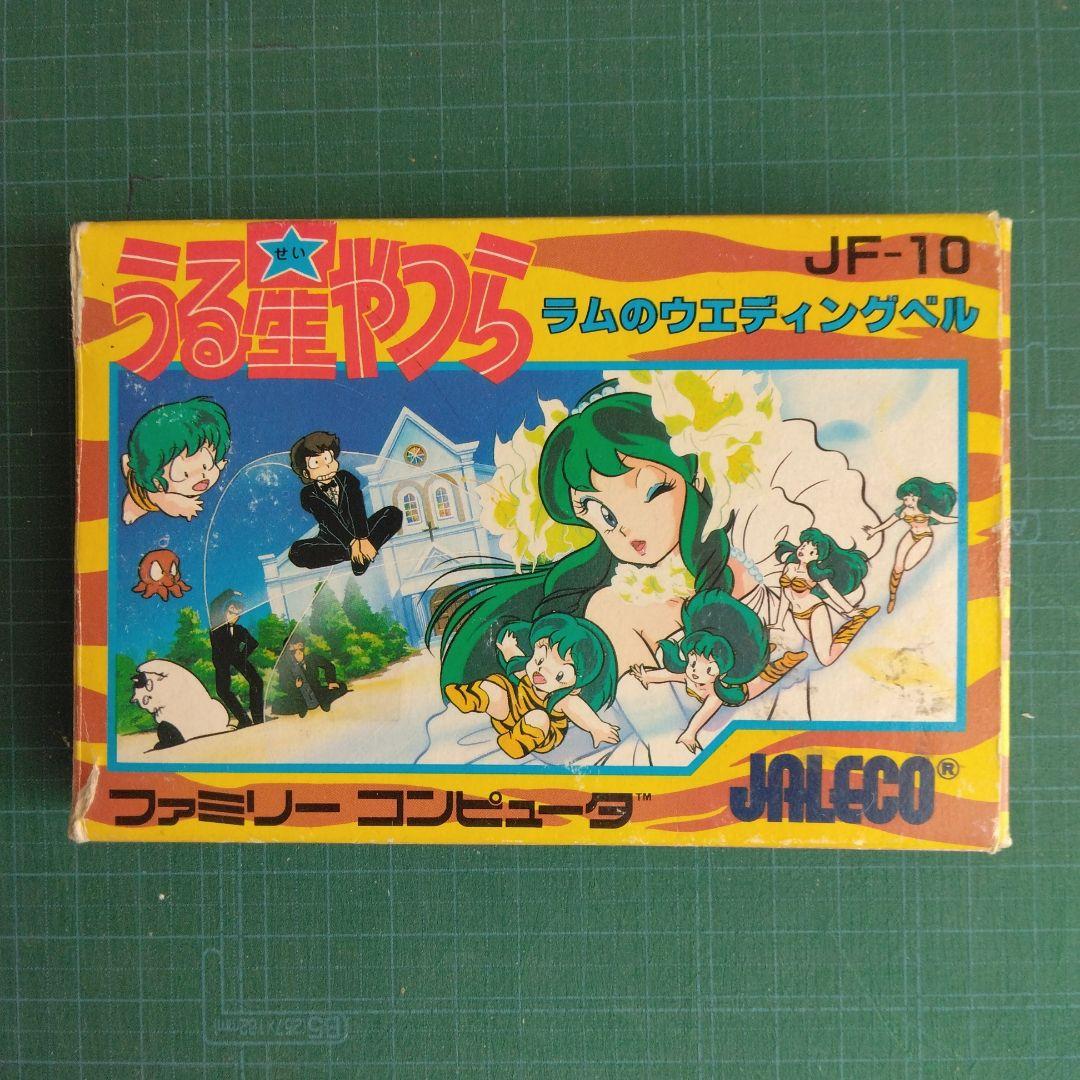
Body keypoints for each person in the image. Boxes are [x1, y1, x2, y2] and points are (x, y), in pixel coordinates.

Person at [630, 589, 804, 755]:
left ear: (721, 673)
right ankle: (771, 650)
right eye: (693, 662)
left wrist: (690, 733)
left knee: (767, 674)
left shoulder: (717, 694)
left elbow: (703, 713)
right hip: (727, 667)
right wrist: (646, 677)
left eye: (707, 668)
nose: (696, 672)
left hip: (742, 690)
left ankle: (788, 660)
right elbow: (668, 674)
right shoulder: (690, 672)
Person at [443, 613, 620, 760]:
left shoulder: (561, 699)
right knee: (496, 689)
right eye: (539, 660)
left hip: (539, 733)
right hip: (509, 716)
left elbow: (578, 709)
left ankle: (516, 744)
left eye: (559, 675)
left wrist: (597, 728)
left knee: (538, 717)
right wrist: (509, 649)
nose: (542, 671)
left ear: (575, 688)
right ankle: (469, 698)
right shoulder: (529, 675)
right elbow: (516, 662)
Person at [287, 431, 403, 575]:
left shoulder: (347, 478)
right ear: (306, 473)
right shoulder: (308, 494)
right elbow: (329, 520)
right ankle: (357, 555)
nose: (326, 467)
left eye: (327, 459)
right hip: (332, 540)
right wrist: (352, 544)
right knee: (296, 552)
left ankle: (362, 553)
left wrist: (362, 538)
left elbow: (357, 509)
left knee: (393, 513)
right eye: (316, 463)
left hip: (361, 531)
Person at [772, 528, 878, 667]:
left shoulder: (815, 573)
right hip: (797, 615)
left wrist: (850, 610)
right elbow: (785, 597)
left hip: (815, 610)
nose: (803, 550)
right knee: (818, 645)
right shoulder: (790, 567)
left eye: (811, 551)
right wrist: (778, 622)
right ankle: (788, 659)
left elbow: (831, 592)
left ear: (817, 557)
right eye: (803, 545)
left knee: (825, 659)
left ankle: (852, 629)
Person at [121, 397, 230, 524]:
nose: (200, 476)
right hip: (142, 498)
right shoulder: (158, 491)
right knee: (132, 510)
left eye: (206, 465)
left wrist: (216, 464)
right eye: (185, 474)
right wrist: (182, 506)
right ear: (157, 481)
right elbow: (165, 501)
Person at [863, 477, 958, 613]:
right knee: (898, 567)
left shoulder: (925, 510)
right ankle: (892, 598)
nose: (909, 502)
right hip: (911, 535)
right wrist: (874, 530)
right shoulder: (902, 511)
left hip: (925, 536)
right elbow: (888, 523)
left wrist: (961, 519)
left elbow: (942, 519)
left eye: (912, 498)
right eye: (906, 499)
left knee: (907, 565)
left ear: (918, 498)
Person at [208, 590, 264, 728]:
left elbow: (253, 643)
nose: (234, 617)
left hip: (237, 659)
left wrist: (241, 655)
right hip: (222, 662)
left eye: (237, 614)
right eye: (231, 612)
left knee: (257, 682)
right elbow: (215, 604)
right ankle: (244, 719)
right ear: (226, 611)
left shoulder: (240, 630)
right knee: (222, 690)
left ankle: (258, 718)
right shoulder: (217, 626)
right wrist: (231, 592)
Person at [278, 637, 348, 717]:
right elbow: (283, 685)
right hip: (299, 697)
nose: (298, 651)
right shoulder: (285, 666)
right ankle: (302, 707)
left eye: (300, 646)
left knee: (342, 686)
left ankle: (325, 701)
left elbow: (329, 665)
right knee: (277, 704)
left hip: (317, 691)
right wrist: (295, 686)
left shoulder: (312, 658)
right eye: (293, 648)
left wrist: (331, 681)